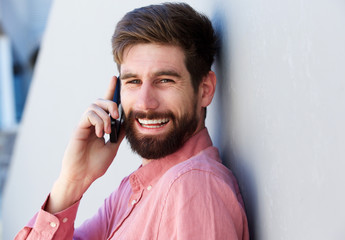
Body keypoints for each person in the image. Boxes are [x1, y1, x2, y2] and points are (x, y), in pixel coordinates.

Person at [15, 2, 249, 239]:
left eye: (165, 80)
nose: (145, 103)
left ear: (205, 89)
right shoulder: (132, 191)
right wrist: (73, 181)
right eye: (133, 82)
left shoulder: (194, 186)